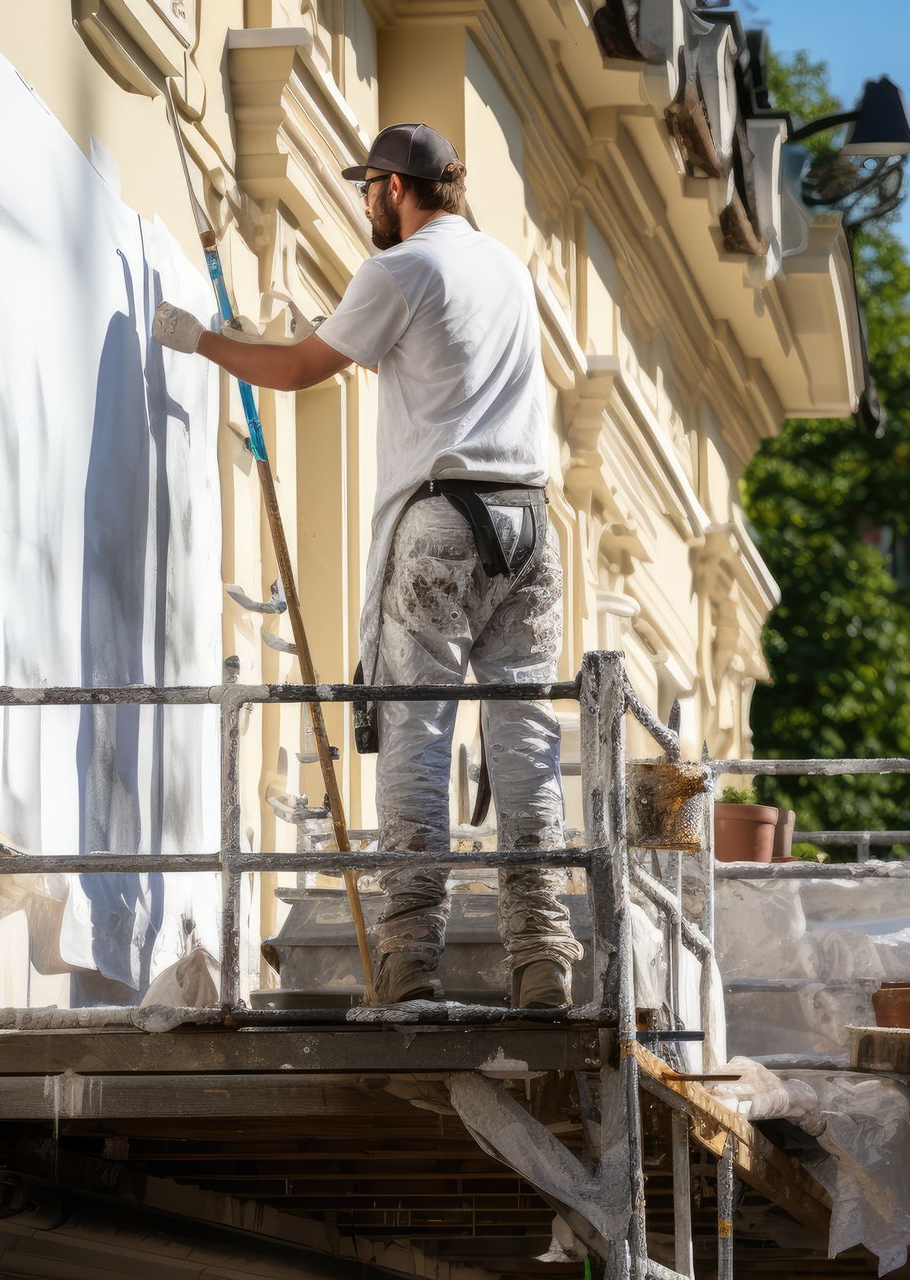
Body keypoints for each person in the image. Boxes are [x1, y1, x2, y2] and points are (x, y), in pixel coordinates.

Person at [153, 122, 581, 1008]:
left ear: (395, 189)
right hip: (531, 527)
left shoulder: (402, 268)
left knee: (417, 734)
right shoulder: (505, 269)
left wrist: (203, 341)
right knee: (525, 743)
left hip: (445, 526)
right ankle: (544, 961)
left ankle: (409, 955)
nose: (363, 209)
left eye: (367, 192)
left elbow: (303, 368)